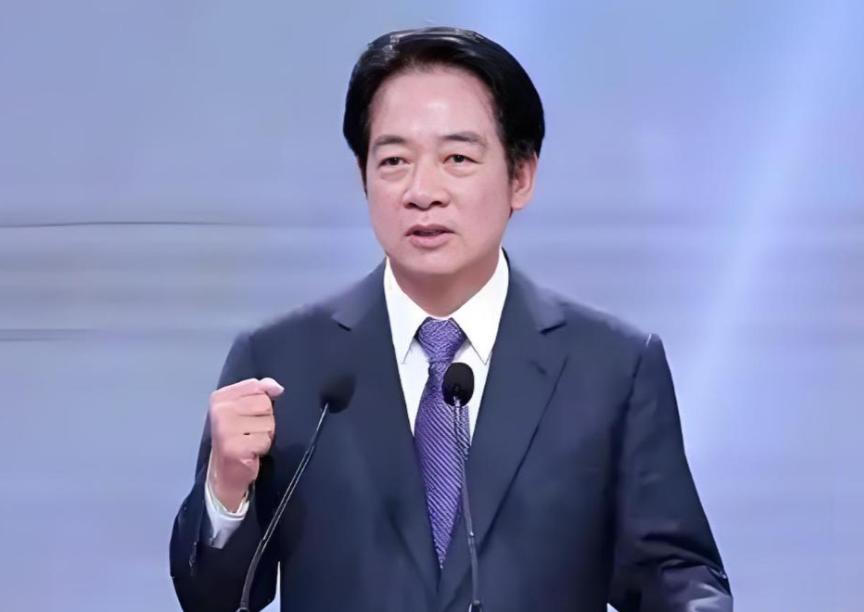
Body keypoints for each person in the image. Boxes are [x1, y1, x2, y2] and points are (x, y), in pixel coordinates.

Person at [169, 26, 732, 612]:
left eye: (457, 158)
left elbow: (673, 573)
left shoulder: (612, 368)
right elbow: (212, 600)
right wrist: (225, 491)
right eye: (394, 161)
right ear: (363, 177)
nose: (422, 191)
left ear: (520, 176)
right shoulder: (282, 364)